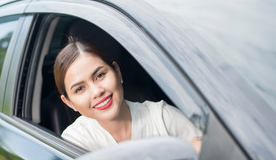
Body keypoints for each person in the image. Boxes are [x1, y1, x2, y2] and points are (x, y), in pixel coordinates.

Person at [53, 38, 202, 153]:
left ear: (117, 72)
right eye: (79, 89)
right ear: (69, 103)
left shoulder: (162, 117)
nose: (97, 91)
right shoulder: (75, 141)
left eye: (100, 75)